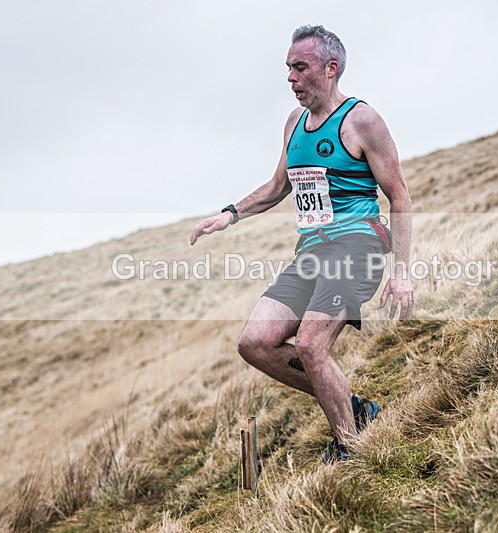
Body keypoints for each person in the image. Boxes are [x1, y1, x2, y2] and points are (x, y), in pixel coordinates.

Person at [189, 25, 413, 463]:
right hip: (311, 254)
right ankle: (353, 408)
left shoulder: (361, 120)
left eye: (300, 67)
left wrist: (402, 272)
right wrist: (229, 213)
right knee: (255, 344)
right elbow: (278, 187)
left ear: (330, 69)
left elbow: (400, 196)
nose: (290, 77)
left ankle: (351, 448)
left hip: (357, 248)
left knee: (312, 346)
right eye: (288, 68)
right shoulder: (294, 123)